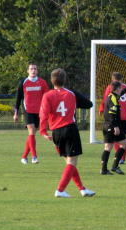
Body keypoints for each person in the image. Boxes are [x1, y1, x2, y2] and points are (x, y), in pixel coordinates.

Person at [39, 68, 95, 198]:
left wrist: (43, 131)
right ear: (65, 80)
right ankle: (60, 190)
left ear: (51, 81)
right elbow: (89, 104)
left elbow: (43, 114)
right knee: (71, 162)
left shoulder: (47, 95)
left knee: (69, 162)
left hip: (56, 133)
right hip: (70, 129)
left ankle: (82, 189)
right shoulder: (71, 94)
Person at [14, 63, 50, 164]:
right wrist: (16, 113)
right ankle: (34, 156)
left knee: (32, 133)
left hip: (39, 111)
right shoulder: (23, 82)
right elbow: (18, 98)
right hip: (27, 110)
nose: (33, 70)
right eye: (31, 69)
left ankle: (24, 157)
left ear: (37, 71)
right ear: (28, 71)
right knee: (32, 130)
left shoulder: (42, 82)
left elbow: (47, 97)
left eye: (35, 69)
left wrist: (48, 110)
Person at [99, 72, 126, 164]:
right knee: (124, 138)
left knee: (116, 138)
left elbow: (105, 100)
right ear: (121, 79)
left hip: (115, 116)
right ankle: (122, 158)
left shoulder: (110, 87)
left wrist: (101, 109)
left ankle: (114, 160)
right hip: (125, 116)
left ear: (113, 80)